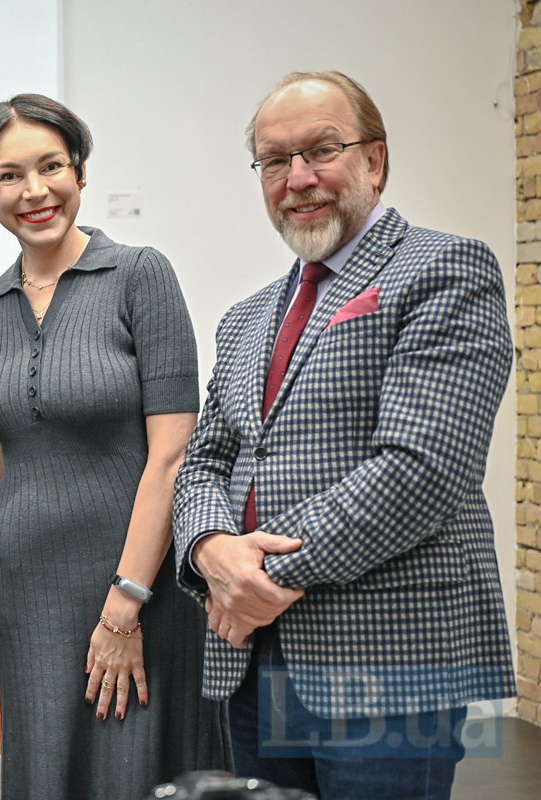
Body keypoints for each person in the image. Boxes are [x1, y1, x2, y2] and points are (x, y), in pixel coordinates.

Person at [172, 71, 515, 799]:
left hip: (388, 660)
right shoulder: (245, 317)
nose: (297, 178)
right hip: (255, 656)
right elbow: (205, 461)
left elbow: (422, 469)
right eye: (274, 160)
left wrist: (258, 578)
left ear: (375, 160)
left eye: (322, 151)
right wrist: (210, 548)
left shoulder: (446, 269)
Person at [0, 94, 229, 799]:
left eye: (51, 166)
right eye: (10, 175)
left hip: (137, 586)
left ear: (80, 172)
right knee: (46, 774)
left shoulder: (140, 275)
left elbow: (173, 455)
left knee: (132, 773)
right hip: (24, 595)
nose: (35, 190)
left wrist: (125, 604)